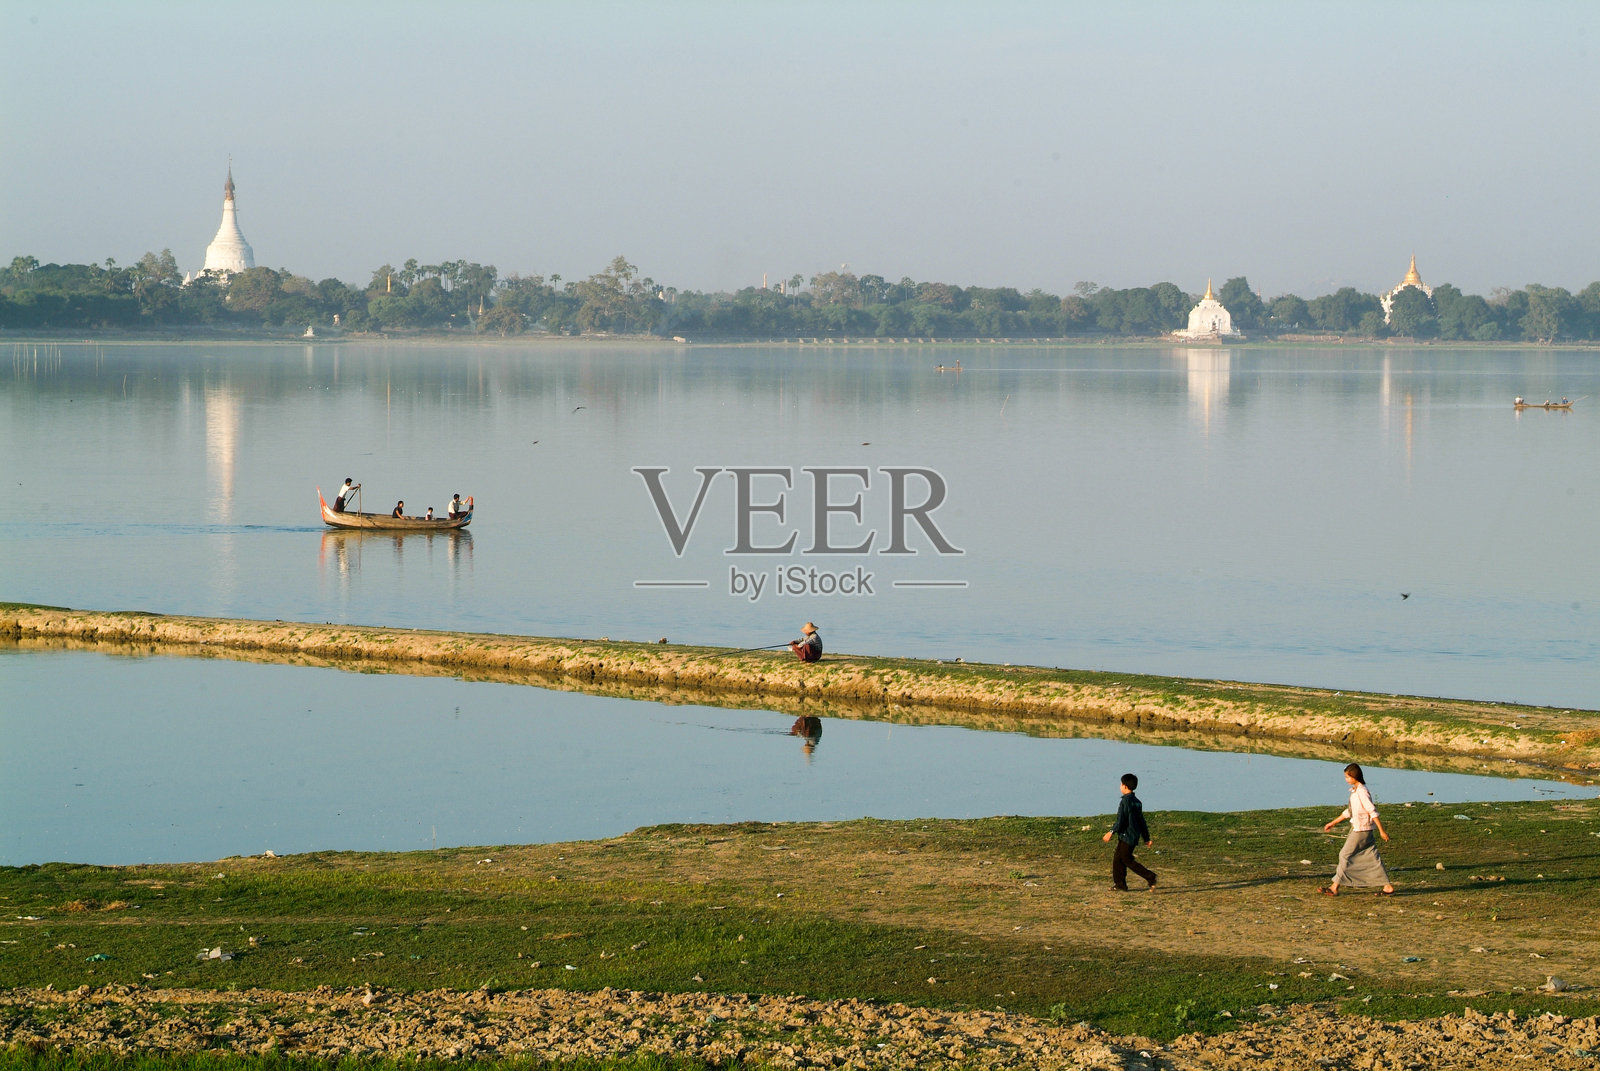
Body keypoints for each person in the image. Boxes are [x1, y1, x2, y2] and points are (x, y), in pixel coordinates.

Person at [1320, 763, 1393, 896]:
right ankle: (1387, 886)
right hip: (1362, 829)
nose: (1346, 780)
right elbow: (1349, 812)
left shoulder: (1362, 792)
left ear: (1354, 776)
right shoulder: (1355, 790)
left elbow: (1372, 811)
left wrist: (1382, 831)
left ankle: (1334, 887)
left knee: (1344, 855)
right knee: (1372, 857)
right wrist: (1333, 823)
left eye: (1347, 777)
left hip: (1361, 830)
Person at [1102, 772, 1156, 891]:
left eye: (1121, 784)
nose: (1120, 786)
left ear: (1125, 786)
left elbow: (1121, 819)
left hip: (1127, 835)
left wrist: (1111, 832)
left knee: (1126, 859)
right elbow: (1142, 821)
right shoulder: (1137, 802)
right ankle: (1120, 884)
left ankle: (1150, 876)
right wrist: (1146, 838)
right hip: (1132, 835)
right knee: (1118, 859)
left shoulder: (1125, 801)